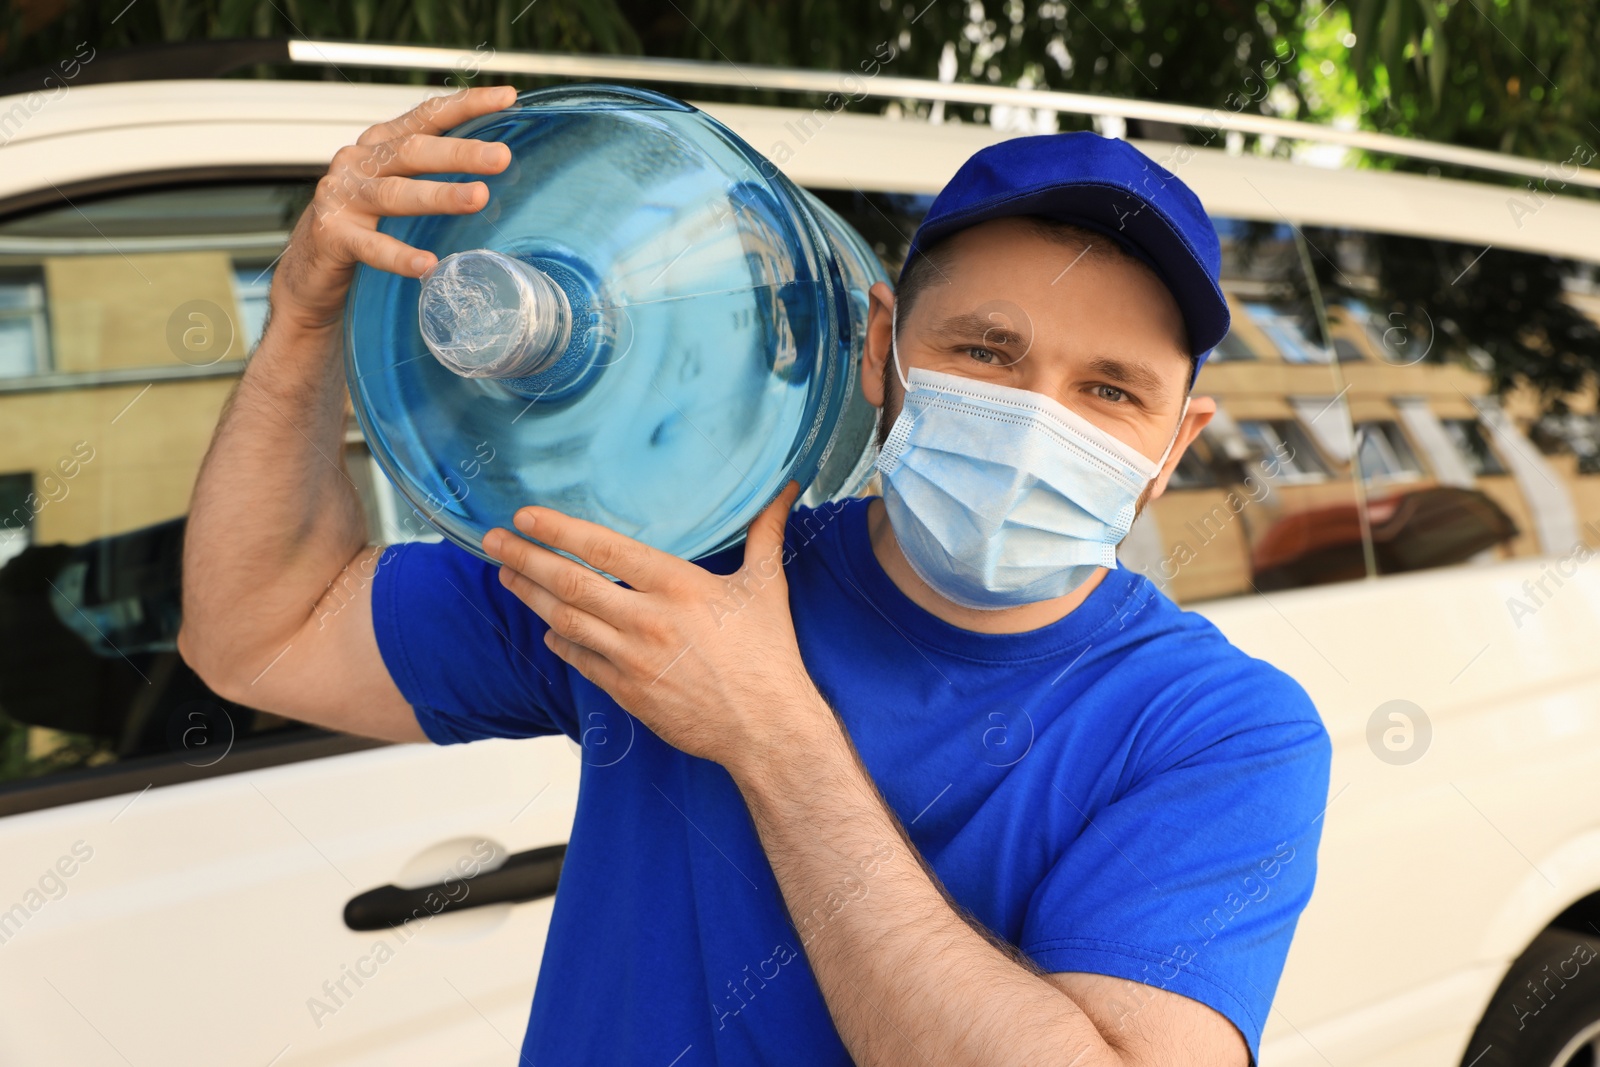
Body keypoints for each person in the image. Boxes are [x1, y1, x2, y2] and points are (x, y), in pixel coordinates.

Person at [180, 85, 1331, 1067]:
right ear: (879, 349)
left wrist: (768, 730)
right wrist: (305, 316)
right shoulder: (675, 559)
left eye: (1109, 390)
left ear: (1177, 447)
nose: (1036, 419)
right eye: (986, 350)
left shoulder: (1220, 730)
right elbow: (261, 630)